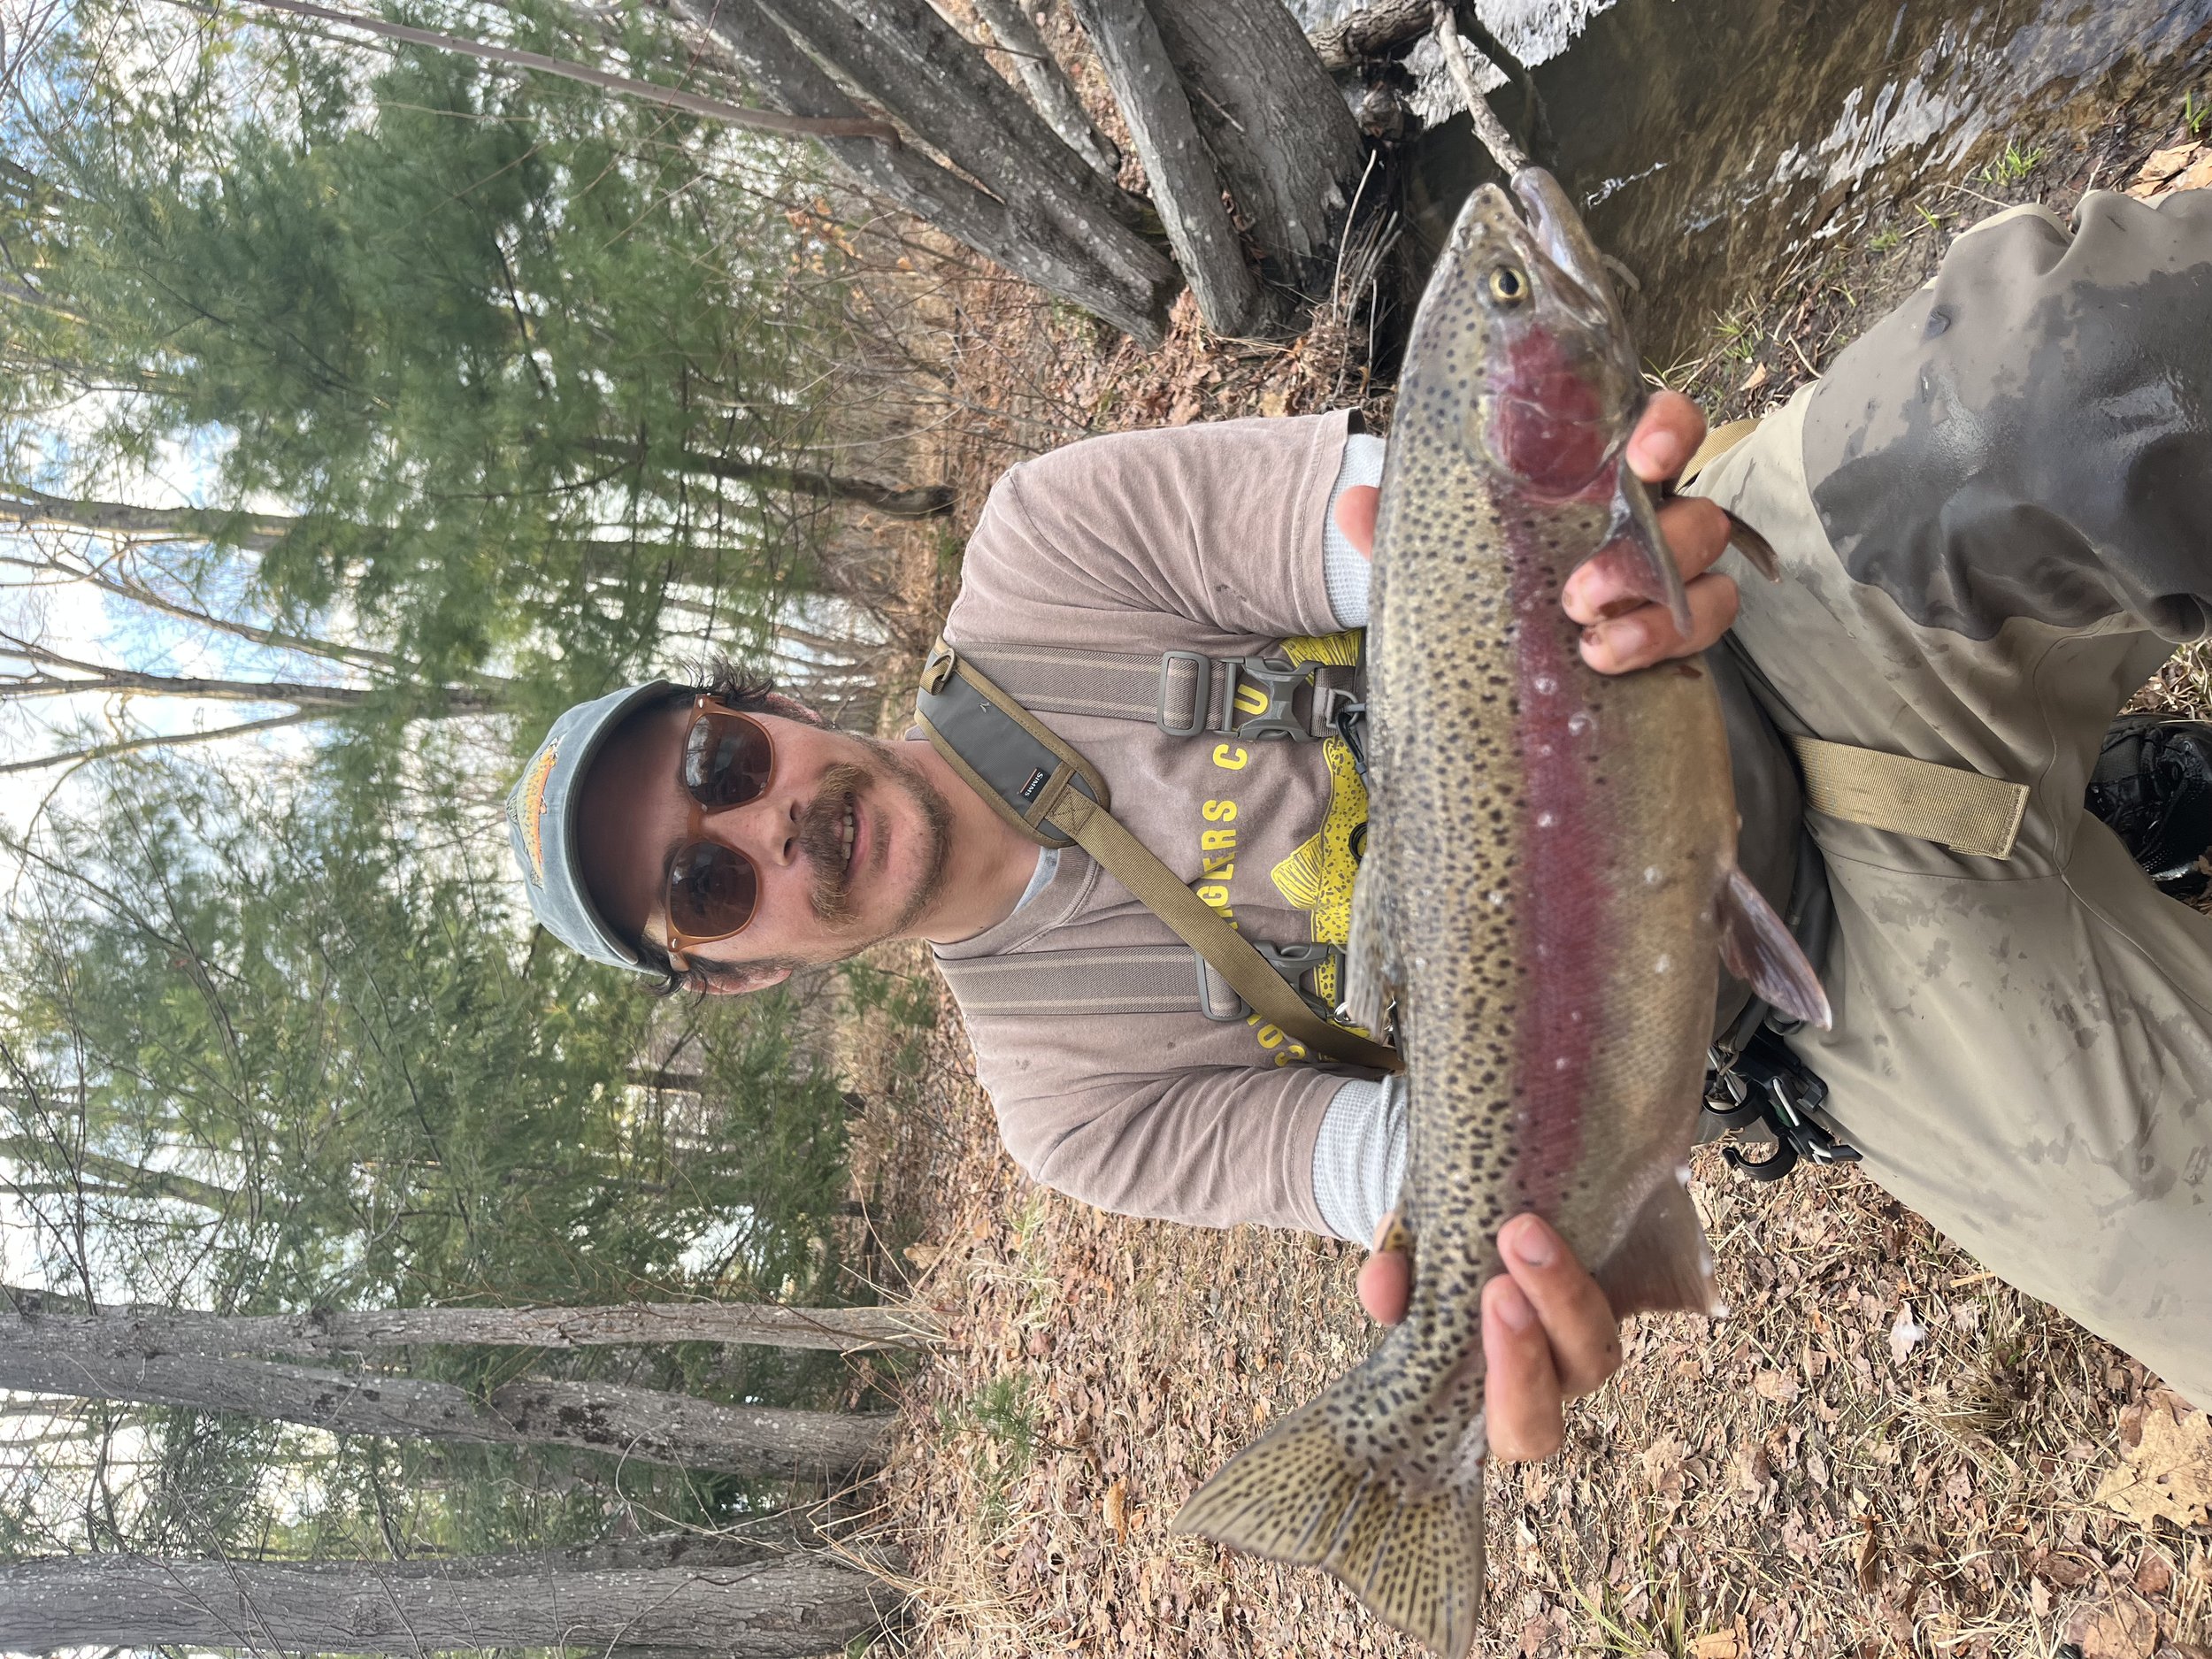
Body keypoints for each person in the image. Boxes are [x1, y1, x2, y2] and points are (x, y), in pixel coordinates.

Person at [508, 184, 2212, 1448]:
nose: (763, 831)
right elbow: (1408, 1168)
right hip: (1800, 992)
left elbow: (1424, 530)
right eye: (701, 884)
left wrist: (1603, 557)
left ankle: (2100, 793)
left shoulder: (1046, 555)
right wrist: (1534, 1281)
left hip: (1742, 636)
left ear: (763, 710)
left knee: (2084, 368)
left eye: (720, 765)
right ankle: (2105, 830)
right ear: (735, 977)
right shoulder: (1068, 1107)